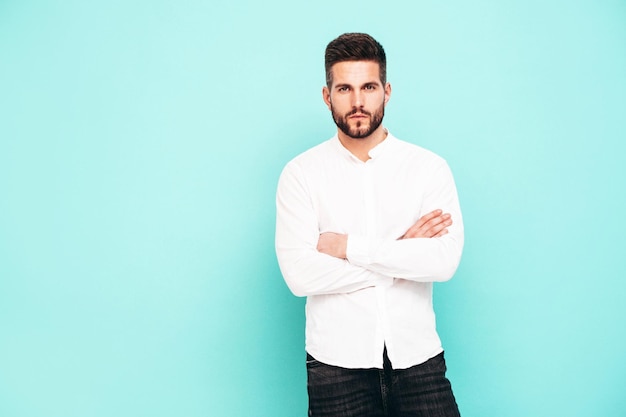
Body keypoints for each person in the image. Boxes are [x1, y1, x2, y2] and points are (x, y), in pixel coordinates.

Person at [275, 32, 464, 417]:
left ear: (387, 91)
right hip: (335, 366)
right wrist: (402, 250)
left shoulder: (428, 169)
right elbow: (299, 276)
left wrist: (346, 247)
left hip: (419, 361)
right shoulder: (301, 174)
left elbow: (443, 263)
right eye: (344, 88)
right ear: (327, 96)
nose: (358, 101)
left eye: (368, 87)